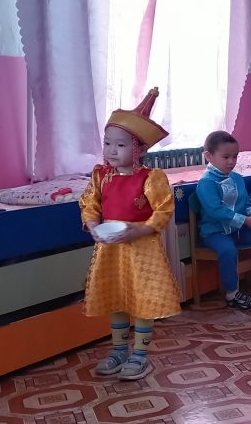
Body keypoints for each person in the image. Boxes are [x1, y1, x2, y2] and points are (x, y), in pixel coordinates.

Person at [80, 87, 181, 380]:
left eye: (120, 145)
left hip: (142, 249)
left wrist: (140, 230)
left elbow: (163, 209)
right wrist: (93, 226)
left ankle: (140, 355)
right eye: (107, 143)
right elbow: (89, 203)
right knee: (117, 296)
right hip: (110, 249)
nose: (111, 150)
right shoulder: (102, 176)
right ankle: (118, 350)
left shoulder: (151, 178)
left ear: (140, 149)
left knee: (143, 299)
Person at [197, 131, 251, 309]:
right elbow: (216, 211)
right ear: (209, 156)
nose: (231, 161)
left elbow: (247, 202)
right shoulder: (206, 182)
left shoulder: (236, 178)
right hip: (216, 233)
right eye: (226, 157)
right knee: (228, 250)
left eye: (235, 156)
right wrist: (245, 221)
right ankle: (232, 294)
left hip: (238, 231)